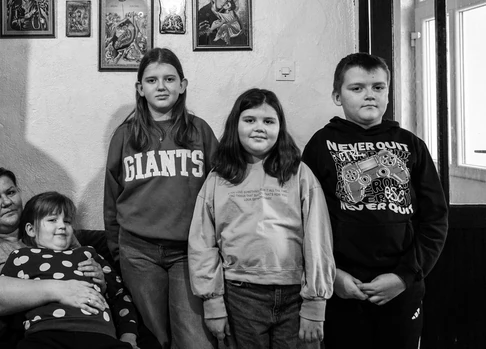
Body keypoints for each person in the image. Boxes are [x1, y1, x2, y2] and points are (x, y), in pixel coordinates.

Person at [301, 53, 449, 349]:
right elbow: (305, 219)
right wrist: (332, 275)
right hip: (341, 287)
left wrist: (404, 276)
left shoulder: (411, 145)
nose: (369, 95)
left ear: (388, 93)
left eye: (378, 87)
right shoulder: (320, 145)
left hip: (401, 288)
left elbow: (435, 219)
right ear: (337, 96)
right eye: (357, 88)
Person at [188, 88, 335, 348]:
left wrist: (316, 302)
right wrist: (212, 301)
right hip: (240, 295)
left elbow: (318, 238)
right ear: (235, 125)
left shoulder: (298, 173)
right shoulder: (219, 177)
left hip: (295, 295)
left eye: (268, 121)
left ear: (280, 127)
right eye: (249, 120)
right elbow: (202, 241)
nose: (259, 128)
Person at [104, 48, 218, 349]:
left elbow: (219, 191)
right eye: (152, 80)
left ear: (182, 84)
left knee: (195, 341)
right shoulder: (125, 135)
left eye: (169, 79)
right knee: (154, 339)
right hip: (137, 252)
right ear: (140, 88)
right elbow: (112, 198)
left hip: (189, 252)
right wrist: (117, 252)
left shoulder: (200, 131)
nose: (161, 86)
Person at [0, 192, 139, 349]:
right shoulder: (21, 257)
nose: (62, 226)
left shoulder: (88, 254)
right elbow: (0, 308)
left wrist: (129, 337)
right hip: (46, 335)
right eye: (52, 220)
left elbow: (120, 297)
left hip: (99, 335)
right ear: (31, 230)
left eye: (67, 221)